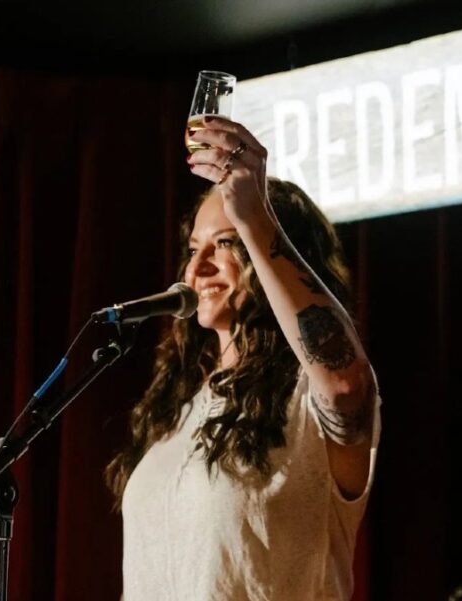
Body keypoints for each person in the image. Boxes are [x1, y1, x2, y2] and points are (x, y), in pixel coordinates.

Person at [106, 116, 381, 601]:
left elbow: (343, 384)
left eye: (226, 244)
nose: (197, 268)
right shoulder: (177, 410)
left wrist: (253, 215)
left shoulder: (305, 400)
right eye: (193, 249)